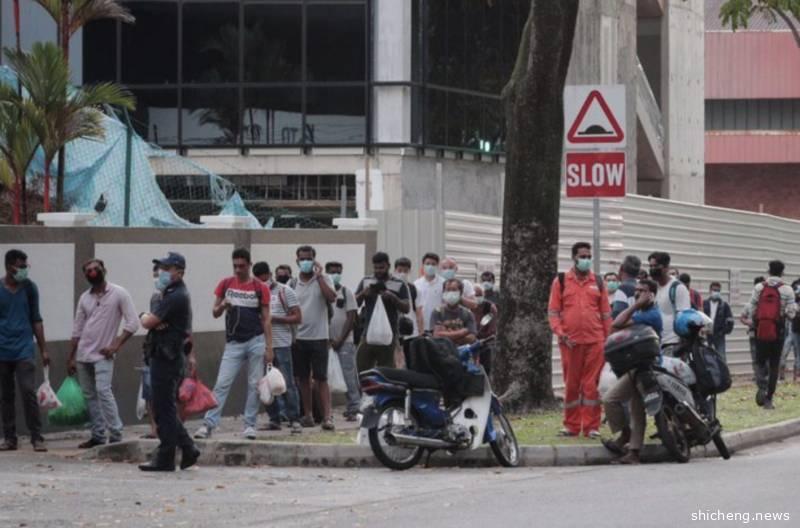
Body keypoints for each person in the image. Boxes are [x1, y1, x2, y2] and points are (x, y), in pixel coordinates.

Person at [195, 249, 273, 440]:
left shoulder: (260, 287)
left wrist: (269, 347)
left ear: (249, 265)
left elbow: (266, 319)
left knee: (254, 385)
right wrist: (223, 305)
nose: (238, 270)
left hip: (256, 340)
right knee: (222, 384)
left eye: (242, 266)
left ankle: (249, 425)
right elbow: (215, 312)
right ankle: (209, 424)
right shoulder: (226, 284)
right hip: (234, 343)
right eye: (235, 266)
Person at [138, 252, 200, 472]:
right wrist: (152, 320)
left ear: (179, 272)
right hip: (162, 354)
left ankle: (167, 456)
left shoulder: (176, 296)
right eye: (161, 269)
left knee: (163, 408)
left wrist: (144, 316)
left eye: (167, 269)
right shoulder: (168, 294)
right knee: (164, 407)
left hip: (168, 357)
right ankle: (188, 449)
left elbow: (149, 322)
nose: (161, 273)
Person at [68, 259, 139, 448]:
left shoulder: (119, 293)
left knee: (103, 391)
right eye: (88, 270)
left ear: (104, 270)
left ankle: (116, 434)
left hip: (103, 355)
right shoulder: (84, 298)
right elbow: (77, 329)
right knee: (89, 395)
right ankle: (98, 435)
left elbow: (133, 323)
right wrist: (71, 357)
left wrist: (115, 345)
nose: (92, 272)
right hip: (83, 354)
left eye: (95, 268)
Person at [548, 242, 611, 439]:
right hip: (570, 342)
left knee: (592, 385)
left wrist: (609, 339)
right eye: (583, 256)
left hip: (596, 341)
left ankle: (592, 427)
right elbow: (553, 312)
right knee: (572, 385)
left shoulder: (598, 282)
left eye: (589, 256)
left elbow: (606, 314)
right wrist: (560, 333)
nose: (586, 260)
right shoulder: (561, 281)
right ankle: (572, 426)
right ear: (574, 258)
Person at [602, 279, 663, 465]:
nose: (637, 294)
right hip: (634, 366)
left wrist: (635, 305)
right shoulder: (640, 312)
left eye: (642, 291)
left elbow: (617, 322)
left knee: (636, 409)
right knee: (611, 399)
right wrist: (636, 306)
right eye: (636, 290)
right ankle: (626, 435)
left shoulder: (652, 314)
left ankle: (634, 451)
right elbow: (616, 327)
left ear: (651, 294)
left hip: (647, 367)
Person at [0, 249, 49, 452]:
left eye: (25, 266)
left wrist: (43, 349)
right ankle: (10, 438)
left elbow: (36, 319)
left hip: (24, 349)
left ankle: (36, 437)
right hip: (2, 350)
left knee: (28, 391)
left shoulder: (29, 288)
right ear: (9, 267)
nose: (24, 270)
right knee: (6, 395)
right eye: (21, 266)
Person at [291, 246, 337, 430]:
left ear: (314, 260)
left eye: (309, 258)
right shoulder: (293, 283)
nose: (306, 262)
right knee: (303, 378)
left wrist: (319, 277)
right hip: (299, 338)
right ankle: (308, 415)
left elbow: (331, 297)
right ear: (297, 261)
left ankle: (327, 417)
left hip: (320, 337)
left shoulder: (324, 279)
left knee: (321, 378)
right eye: (302, 259)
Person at [253, 262, 302, 434]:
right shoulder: (255, 293)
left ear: (270, 274)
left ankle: (295, 419)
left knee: (287, 382)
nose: (263, 282)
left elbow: (297, 317)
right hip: (261, 344)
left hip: (281, 344)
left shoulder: (285, 291)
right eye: (259, 280)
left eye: (264, 278)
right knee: (265, 384)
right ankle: (274, 419)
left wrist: (273, 318)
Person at [748, 260, 797, 410]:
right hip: (778, 331)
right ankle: (769, 398)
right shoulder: (787, 290)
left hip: (761, 330)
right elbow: (791, 314)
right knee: (774, 364)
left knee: (760, 361)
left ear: (768, 271)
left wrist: (759, 320)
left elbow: (752, 309)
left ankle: (761, 386)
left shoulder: (759, 287)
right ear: (783, 272)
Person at [355, 252, 410, 372]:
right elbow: (355, 303)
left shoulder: (399, 284)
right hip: (368, 334)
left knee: (387, 371)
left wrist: (393, 297)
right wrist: (363, 294)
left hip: (389, 336)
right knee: (361, 369)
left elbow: (406, 308)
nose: (378, 271)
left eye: (381, 268)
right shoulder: (366, 281)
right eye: (376, 268)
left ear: (388, 266)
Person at [326, 261, 360, 421]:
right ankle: (325, 411)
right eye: (332, 272)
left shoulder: (347, 292)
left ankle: (354, 407)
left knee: (348, 375)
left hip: (345, 342)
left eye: (338, 272)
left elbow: (351, 317)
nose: (335, 275)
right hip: (326, 342)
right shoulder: (323, 293)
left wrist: (340, 339)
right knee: (325, 377)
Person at [649, 251, 691, 357]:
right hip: (657, 343)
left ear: (666, 267)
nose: (653, 269)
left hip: (673, 343)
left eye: (656, 266)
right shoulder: (654, 287)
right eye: (651, 266)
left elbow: (685, 318)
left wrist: (682, 347)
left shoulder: (677, 288)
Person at [432, 279, 477, 346]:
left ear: (460, 293)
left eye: (454, 290)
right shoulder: (437, 312)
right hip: (443, 351)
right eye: (448, 290)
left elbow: (472, 338)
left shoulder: (467, 314)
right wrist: (461, 333)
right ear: (443, 292)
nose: (451, 293)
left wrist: (447, 335)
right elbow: (437, 335)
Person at [703, 282, 734, 363]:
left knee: (721, 357)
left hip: (719, 335)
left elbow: (730, 321)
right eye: (714, 290)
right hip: (706, 335)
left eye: (718, 290)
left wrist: (723, 331)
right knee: (705, 356)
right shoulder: (704, 304)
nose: (716, 292)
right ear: (710, 291)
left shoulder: (724, 305)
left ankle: (723, 371)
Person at [414, 252, 445, 334]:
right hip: (421, 327)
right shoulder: (416, 284)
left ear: (437, 266)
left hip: (438, 327)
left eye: (433, 264)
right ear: (423, 265)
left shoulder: (443, 283)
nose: (430, 266)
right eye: (427, 264)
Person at [394, 257, 424, 336]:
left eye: (405, 271)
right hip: (394, 330)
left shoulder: (414, 289)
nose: (402, 273)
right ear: (395, 271)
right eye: (400, 270)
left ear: (409, 271)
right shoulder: (390, 288)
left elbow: (419, 312)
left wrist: (421, 331)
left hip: (411, 330)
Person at [471, 285, 497, 375]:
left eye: (480, 295)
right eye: (475, 295)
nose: (477, 298)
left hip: (485, 342)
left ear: (484, 295)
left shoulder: (490, 308)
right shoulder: (467, 308)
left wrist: (480, 336)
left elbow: (492, 330)